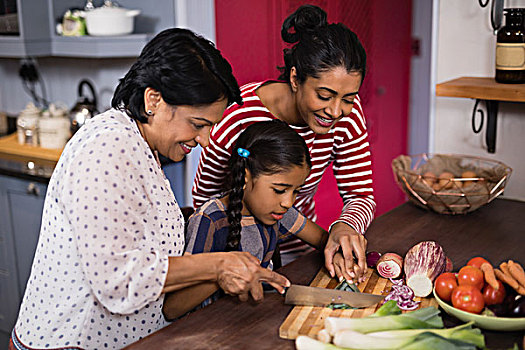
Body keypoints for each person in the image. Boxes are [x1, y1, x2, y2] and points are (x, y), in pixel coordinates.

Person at [10, 28, 290, 350]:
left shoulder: (141, 145)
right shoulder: (107, 147)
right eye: (198, 124)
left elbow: (140, 228)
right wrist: (219, 263)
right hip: (72, 342)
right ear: (153, 100)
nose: (205, 140)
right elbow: (118, 279)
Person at [192, 4, 375, 283]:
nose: (337, 111)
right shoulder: (238, 116)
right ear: (294, 78)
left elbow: (360, 195)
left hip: (300, 253)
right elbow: (205, 200)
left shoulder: (348, 115)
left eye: (348, 98)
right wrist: (230, 263)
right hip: (236, 260)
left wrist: (345, 226)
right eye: (324, 95)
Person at [163, 120, 349, 319]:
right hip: (210, 329)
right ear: (245, 176)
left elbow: (323, 241)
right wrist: (223, 274)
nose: (288, 202)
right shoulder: (210, 220)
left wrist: (336, 253)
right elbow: (173, 308)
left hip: (253, 320)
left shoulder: (277, 210)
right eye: (279, 190)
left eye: (296, 191)